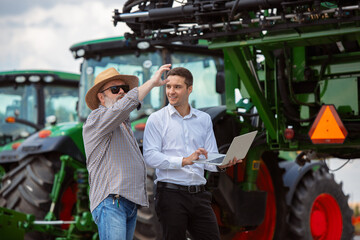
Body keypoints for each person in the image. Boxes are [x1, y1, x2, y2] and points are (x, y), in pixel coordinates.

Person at [143, 67, 242, 239]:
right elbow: (150, 156)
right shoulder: (156, 119)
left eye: (177, 87)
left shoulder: (203, 120)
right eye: (168, 87)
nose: (171, 92)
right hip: (170, 195)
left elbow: (208, 158)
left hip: (200, 196)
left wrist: (222, 164)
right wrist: (184, 160)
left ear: (190, 89)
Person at [83, 64, 171, 240]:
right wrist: (152, 83)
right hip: (112, 203)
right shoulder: (97, 118)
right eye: (115, 89)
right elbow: (123, 107)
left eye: (124, 88)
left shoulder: (124, 126)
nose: (122, 92)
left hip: (127, 204)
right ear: (101, 97)